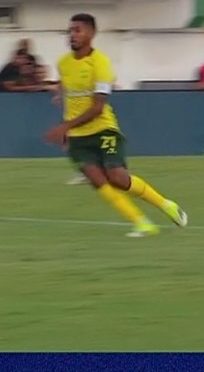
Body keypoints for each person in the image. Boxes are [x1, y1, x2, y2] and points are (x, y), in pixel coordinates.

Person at [45, 13, 188, 236]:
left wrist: (65, 126)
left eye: (78, 30)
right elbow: (67, 88)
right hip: (77, 137)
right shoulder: (63, 63)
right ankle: (142, 223)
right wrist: (60, 98)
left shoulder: (101, 63)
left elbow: (98, 107)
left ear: (91, 33)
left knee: (117, 178)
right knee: (99, 182)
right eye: (70, 30)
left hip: (104, 130)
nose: (72, 35)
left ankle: (166, 205)